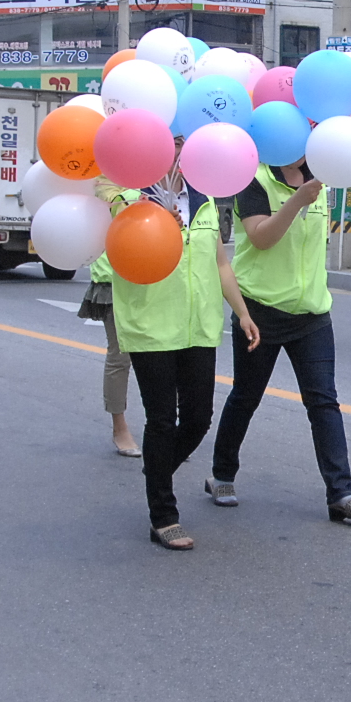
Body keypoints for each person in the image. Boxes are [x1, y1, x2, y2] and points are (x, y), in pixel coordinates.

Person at [208, 158, 351, 524]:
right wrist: (297, 200)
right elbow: (261, 238)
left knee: (324, 402)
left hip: (311, 312)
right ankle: (221, 474)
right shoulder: (254, 179)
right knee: (246, 397)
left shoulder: (324, 175)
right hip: (260, 310)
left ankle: (340, 493)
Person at [111, 154, 259, 550]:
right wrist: (153, 222)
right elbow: (117, 251)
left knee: (198, 417)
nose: (176, 153)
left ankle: (156, 474)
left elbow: (220, 263)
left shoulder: (204, 197)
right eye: (169, 143)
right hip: (153, 325)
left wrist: (242, 312)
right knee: (162, 420)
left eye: (182, 143)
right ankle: (163, 514)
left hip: (199, 326)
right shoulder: (129, 198)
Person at [84, 178, 142, 458]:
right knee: (120, 356)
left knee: (166, 353)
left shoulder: (157, 179)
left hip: (157, 276)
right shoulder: (105, 186)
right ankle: (119, 427)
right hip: (114, 280)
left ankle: (166, 425)